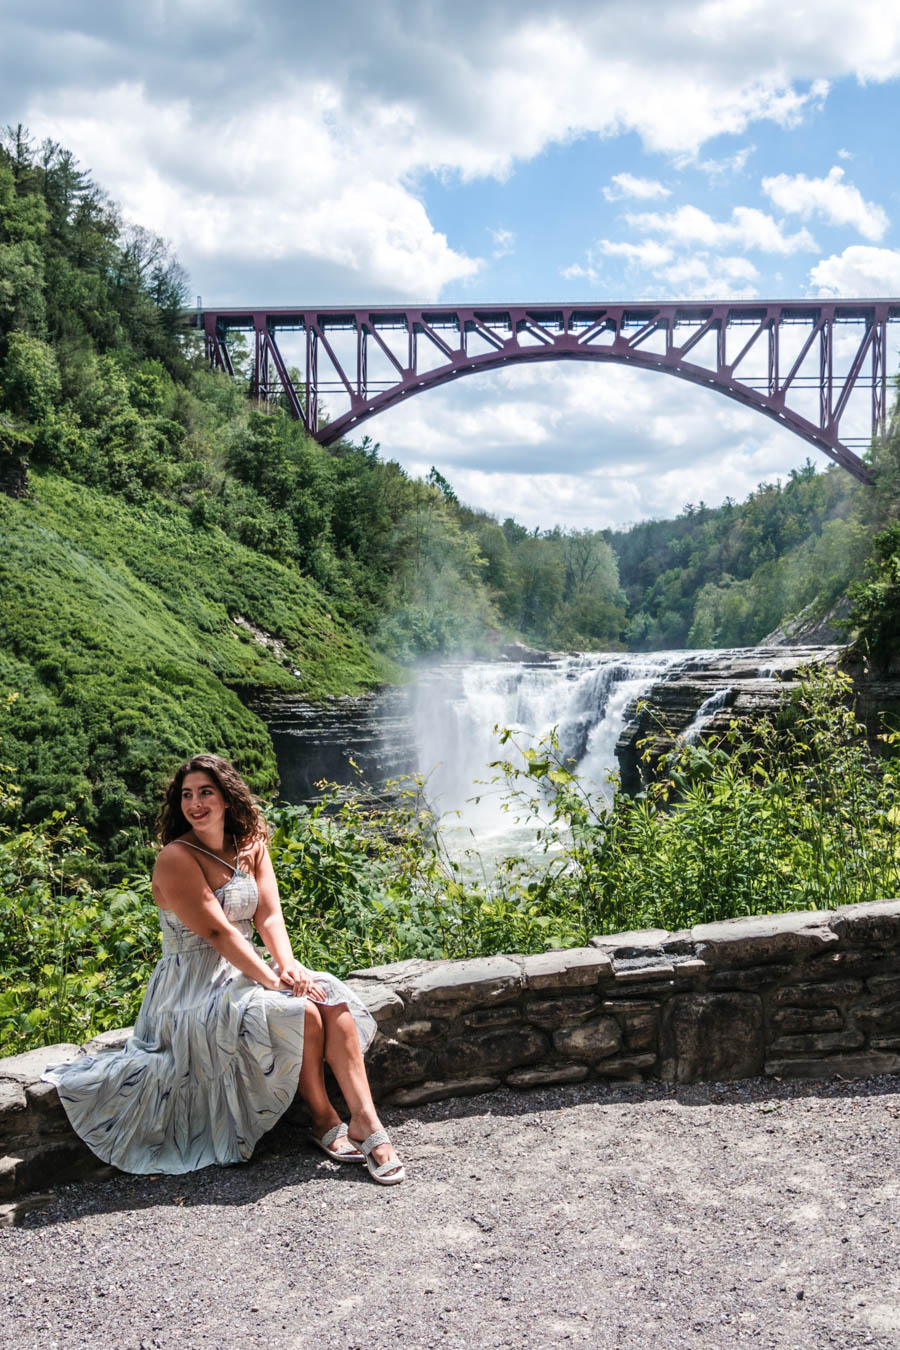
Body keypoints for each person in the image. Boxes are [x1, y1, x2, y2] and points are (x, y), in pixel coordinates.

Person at [43, 753, 404, 1185]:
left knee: (329, 999)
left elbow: (268, 916)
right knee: (302, 1011)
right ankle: (325, 1120)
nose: (195, 803)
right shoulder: (176, 858)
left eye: (206, 793)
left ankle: (365, 1122)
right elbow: (219, 934)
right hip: (192, 987)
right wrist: (273, 981)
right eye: (187, 795)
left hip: (245, 970)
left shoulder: (251, 845)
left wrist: (289, 967)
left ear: (228, 798)